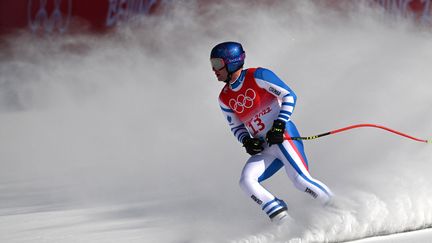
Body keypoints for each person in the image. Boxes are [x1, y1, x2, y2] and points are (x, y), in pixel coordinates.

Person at [211, 41, 333, 223]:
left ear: (233, 61)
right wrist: (246, 141)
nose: (214, 70)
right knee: (246, 182)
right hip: (265, 147)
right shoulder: (224, 98)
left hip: (283, 138)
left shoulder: (258, 75)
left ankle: (339, 208)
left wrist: (279, 125)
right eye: (212, 65)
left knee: (300, 180)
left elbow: (289, 95)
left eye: (218, 64)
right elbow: (236, 127)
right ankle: (284, 222)